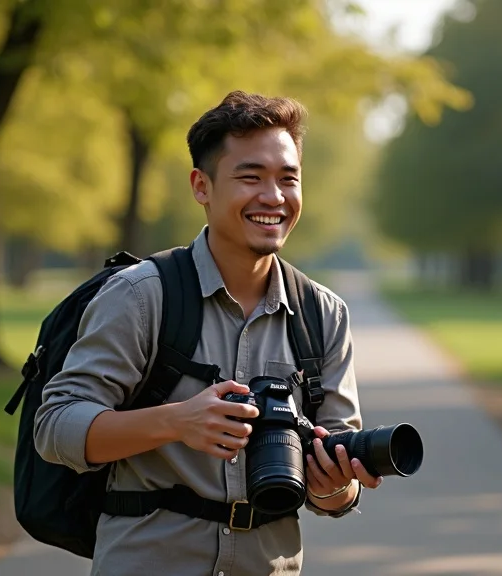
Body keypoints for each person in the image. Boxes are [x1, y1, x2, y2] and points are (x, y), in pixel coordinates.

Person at [33, 90, 381, 576]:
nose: (274, 197)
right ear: (202, 185)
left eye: (288, 179)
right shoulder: (140, 296)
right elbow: (55, 428)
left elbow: (335, 490)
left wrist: (335, 484)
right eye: (250, 177)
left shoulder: (323, 314)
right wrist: (178, 421)